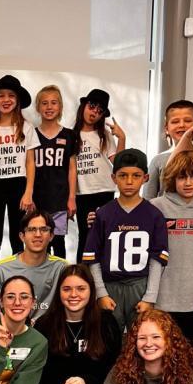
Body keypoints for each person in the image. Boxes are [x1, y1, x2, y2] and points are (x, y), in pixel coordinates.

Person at [86, 148, 170, 331]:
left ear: (145, 178)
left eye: (136, 175)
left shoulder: (154, 215)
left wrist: (150, 297)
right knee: (108, 338)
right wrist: (101, 293)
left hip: (140, 285)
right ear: (113, 178)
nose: (129, 181)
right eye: (123, 175)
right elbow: (93, 258)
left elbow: (157, 260)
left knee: (139, 337)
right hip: (110, 286)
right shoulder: (103, 214)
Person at [151, 149, 193, 358]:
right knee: (160, 350)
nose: (188, 183)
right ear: (171, 178)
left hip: (192, 293)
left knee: (185, 354)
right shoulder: (156, 206)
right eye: (181, 177)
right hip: (161, 292)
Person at [0, 75, 39, 279]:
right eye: (1, 95)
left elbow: (30, 162)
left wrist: (28, 192)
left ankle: (19, 282)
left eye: (11, 95)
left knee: (17, 237)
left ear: (17, 100)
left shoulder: (27, 127)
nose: (6, 100)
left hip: (18, 185)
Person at [23, 85, 78, 259]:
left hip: (60, 200)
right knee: (39, 245)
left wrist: (71, 198)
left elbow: (72, 168)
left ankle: (60, 276)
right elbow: (26, 166)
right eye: (44, 103)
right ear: (38, 107)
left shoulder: (69, 135)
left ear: (60, 107)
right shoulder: (31, 134)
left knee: (58, 243)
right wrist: (28, 195)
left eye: (54, 103)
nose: (49, 107)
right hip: (37, 201)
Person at [72, 88, 126, 263]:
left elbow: (118, 164)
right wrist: (69, 198)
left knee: (105, 235)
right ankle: (81, 274)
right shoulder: (71, 136)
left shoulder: (104, 135)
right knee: (85, 235)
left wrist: (122, 138)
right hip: (82, 193)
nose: (94, 112)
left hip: (104, 191)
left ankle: (103, 273)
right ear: (84, 106)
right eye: (92, 106)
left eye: (100, 111)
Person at [0, 206, 66, 320]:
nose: (38, 234)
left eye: (44, 229)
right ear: (22, 236)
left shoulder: (62, 268)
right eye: (31, 229)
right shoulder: (1, 269)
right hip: (12, 330)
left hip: (50, 330)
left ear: (51, 236)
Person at [143, 99, 193, 200]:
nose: (181, 125)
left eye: (187, 121)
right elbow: (148, 198)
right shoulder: (157, 161)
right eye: (175, 122)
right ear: (166, 128)